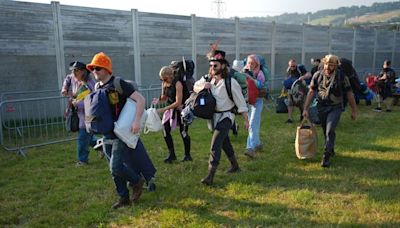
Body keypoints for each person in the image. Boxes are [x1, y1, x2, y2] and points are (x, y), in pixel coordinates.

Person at [86, 52, 155, 209]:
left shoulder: (119, 83)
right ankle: (123, 197)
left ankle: (137, 181)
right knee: (113, 170)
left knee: (115, 167)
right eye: (93, 69)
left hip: (120, 132)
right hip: (106, 133)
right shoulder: (97, 86)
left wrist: (137, 121)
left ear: (106, 69)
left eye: (97, 68)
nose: (94, 72)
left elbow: (140, 100)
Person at [193, 50, 249, 186]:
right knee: (225, 143)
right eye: (211, 66)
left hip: (226, 116)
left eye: (215, 66)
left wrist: (246, 120)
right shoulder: (208, 79)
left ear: (223, 66)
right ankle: (235, 166)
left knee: (215, 144)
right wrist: (202, 86)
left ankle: (210, 175)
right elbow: (195, 86)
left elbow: (240, 102)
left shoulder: (231, 82)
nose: (212, 68)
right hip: (213, 117)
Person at [303, 54, 357, 168]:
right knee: (325, 130)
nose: (328, 67)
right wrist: (305, 108)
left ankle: (326, 156)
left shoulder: (342, 77)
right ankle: (331, 148)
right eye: (327, 64)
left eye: (331, 65)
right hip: (321, 107)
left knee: (330, 130)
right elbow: (311, 92)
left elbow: (349, 93)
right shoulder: (317, 75)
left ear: (336, 66)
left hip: (335, 107)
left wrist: (353, 110)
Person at [61, 61, 98, 165]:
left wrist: (78, 104)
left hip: (87, 114)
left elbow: (94, 100)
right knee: (87, 137)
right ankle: (103, 146)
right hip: (77, 113)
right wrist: (64, 88)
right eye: (73, 71)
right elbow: (67, 78)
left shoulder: (91, 83)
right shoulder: (73, 77)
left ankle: (82, 160)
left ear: (82, 71)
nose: (73, 73)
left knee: (82, 138)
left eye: (75, 71)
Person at [153, 66, 192, 163]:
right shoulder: (165, 83)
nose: (163, 81)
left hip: (182, 109)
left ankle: (187, 155)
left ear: (170, 76)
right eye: (162, 79)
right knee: (165, 130)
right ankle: (172, 155)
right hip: (171, 109)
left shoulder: (178, 84)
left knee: (183, 132)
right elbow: (165, 97)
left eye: (164, 79)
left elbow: (178, 102)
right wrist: (158, 100)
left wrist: (163, 109)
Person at [243, 54, 266, 158]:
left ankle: (250, 148)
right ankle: (257, 144)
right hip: (248, 101)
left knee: (252, 124)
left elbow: (261, 85)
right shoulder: (244, 71)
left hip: (257, 101)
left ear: (257, 64)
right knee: (253, 125)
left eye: (252, 63)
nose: (250, 65)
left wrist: (250, 78)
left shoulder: (260, 73)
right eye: (249, 63)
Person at [285, 59, 311, 123]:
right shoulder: (288, 70)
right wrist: (284, 87)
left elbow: (309, 74)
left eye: (293, 66)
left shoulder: (300, 68)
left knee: (300, 103)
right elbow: (287, 78)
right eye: (291, 66)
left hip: (300, 88)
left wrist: (303, 77)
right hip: (291, 89)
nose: (292, 67)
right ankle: (290, 119)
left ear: (296, 64)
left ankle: (303, 116)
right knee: (290, 102)